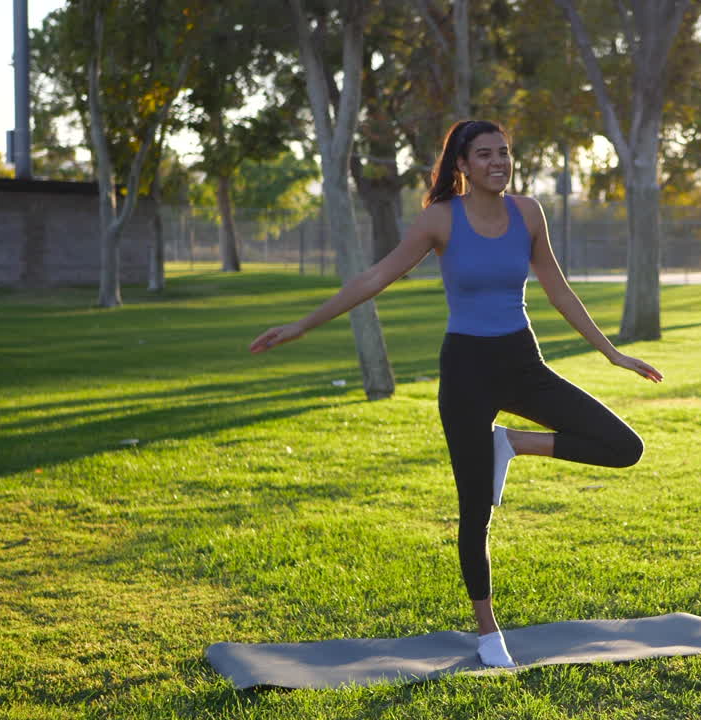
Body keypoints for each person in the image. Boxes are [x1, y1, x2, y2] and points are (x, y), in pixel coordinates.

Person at [249, 119, 663, 668]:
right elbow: (376, 278)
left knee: (623, 446)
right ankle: (489, 632)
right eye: (485, 154)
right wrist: (304, 325)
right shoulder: (439, 220)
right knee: (474, 512)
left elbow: (556, 286)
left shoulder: (529, 213)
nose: (499, 162)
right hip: (466, 370)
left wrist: (611, 353)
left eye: (505, 152)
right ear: (462, 165)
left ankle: (512, 442)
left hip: (522, 361)